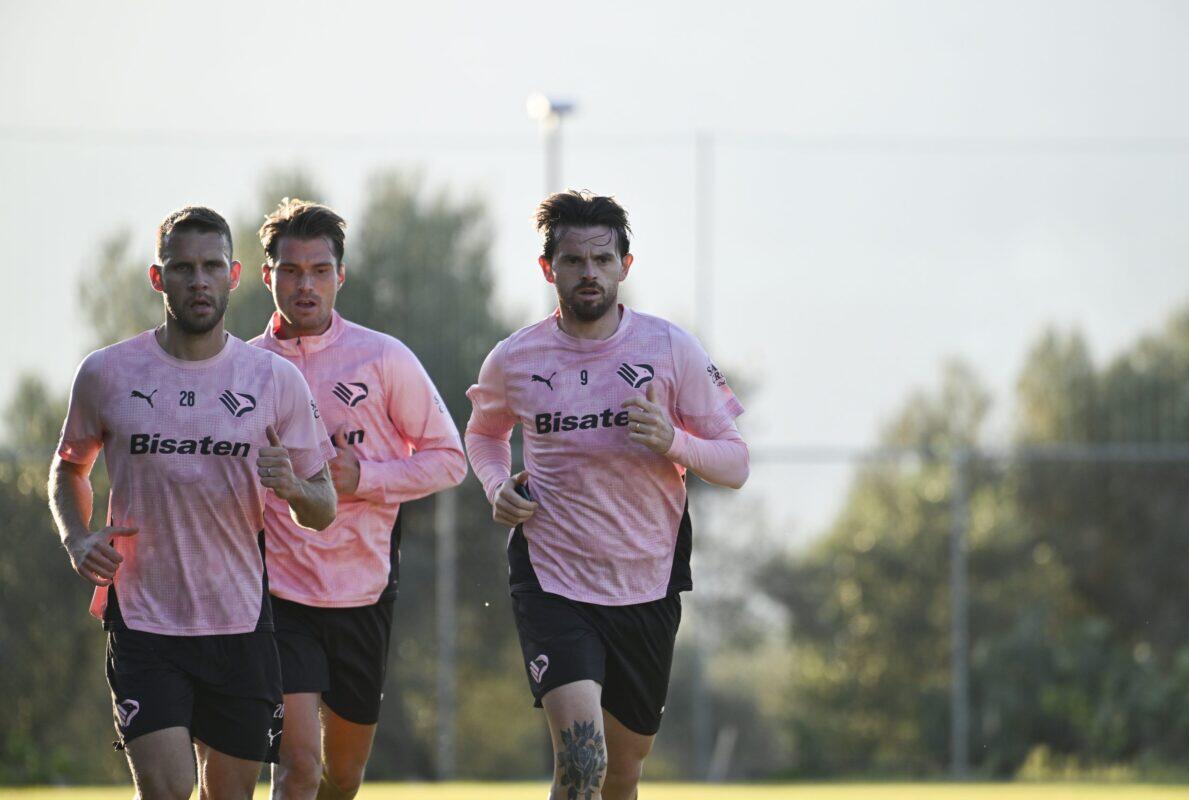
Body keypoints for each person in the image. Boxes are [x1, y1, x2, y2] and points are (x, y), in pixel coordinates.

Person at [464, 190, 749, 799]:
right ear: (549, 269)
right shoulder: (515, 358)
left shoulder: (670, 349)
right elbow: (484, 433)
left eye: (601, 259)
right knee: (583, 761)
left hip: (647, 580)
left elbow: (735, 462)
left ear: (625, 265)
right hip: (552, 578)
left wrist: (674, 441)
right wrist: (495, 485)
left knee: (623, 770)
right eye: (572, 260)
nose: (587, 272)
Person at [48, 206, 338, 800]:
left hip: (239, 624)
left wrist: (293, 488)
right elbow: (68, 468)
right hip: (145, 621)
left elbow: (323, 506)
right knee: (168, 788)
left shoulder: (274, 380)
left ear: (234, 276)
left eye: (211, 267)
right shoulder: (106, 372)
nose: (198, 281)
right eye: (183, 269)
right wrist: (76, 537)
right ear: (159, 279)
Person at [250, 199, 467, 800]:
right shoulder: (245, 368)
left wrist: (363, 477)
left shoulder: (384, 358)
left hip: (363, 593)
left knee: (340, 779)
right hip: (277, 595)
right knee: (295, 768)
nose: (305, 285)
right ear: (268, 275)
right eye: (291, 271)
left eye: (320, 271)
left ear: (341, 276)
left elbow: (450, 460)